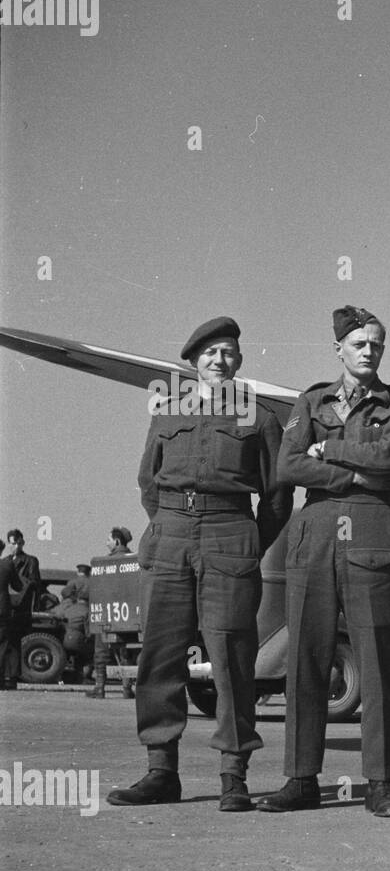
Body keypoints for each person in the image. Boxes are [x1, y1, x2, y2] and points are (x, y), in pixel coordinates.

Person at [107, 318, 291, 810]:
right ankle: (161, 771)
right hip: (169, 535)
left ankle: (234, 775)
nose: (219, 360)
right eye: (210, 352)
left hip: (230, 534)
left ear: (240, 360)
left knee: (232, 658)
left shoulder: (261, 419)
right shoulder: (167, 412)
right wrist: (171, 523)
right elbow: (148, 482)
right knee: (160, 654)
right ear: (193, 362)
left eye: (228, 352)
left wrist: (245, 537)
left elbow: (275, 498)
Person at [259, 305, 390, 816]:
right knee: (306, 659)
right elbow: (288, 465)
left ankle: (380, 782)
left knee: (374, 659)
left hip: (372, 529)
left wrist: (328, 452)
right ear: (339, 349)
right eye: (359, 343)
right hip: (315, 531)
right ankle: (301, 778)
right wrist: (349, 472)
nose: (368, 351)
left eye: (376, 343)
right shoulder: (311, 400)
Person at [86, 527, 136, 699]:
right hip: (131, 619)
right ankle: (127, 689)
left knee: (101, 652)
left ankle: (99, 687)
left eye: (108, 539)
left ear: (116, 542)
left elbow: (91, 591)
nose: (106, 542)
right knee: (126, 654)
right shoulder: (135, 562)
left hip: (107, 619)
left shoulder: (104, 563)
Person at [0, 533, 34, 690]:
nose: (15, 547)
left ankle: (8, 677)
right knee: (4, 644)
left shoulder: (28, 561)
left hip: (13, 609)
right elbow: (18, 585)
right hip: (4, 609)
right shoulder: (7, 564)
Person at [56, 564, 93, 683]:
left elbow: (64, 593)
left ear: (78, 572)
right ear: (88, 572)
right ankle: (84, 675)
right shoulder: (92, 582)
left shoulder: (73, 582)